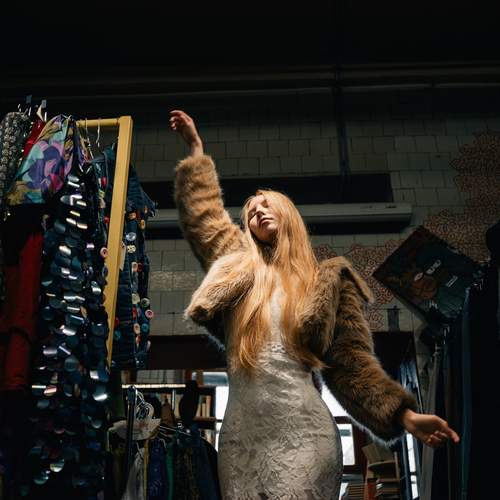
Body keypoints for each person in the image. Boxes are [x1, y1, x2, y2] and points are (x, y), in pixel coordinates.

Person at [169, 109, 460, 499]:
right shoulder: (238, 269)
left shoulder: (327, 284)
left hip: (304, 434)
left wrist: (403, 415)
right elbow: (204, 218)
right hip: (241, 437)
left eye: (267, 204)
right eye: (251, 213)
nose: (258, 211)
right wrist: (196, 149)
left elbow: (351, 364)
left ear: (288, 214)